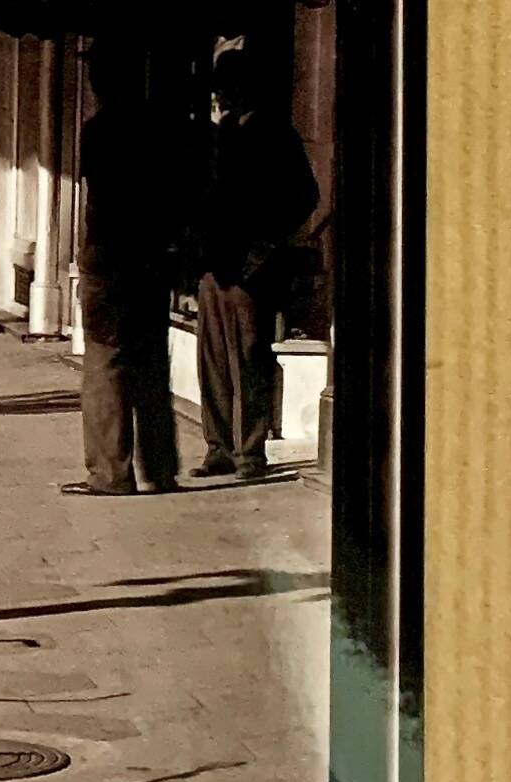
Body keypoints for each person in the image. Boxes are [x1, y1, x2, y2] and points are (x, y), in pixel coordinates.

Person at [192, 48, 319, 481]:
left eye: (228, 87)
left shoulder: (276, 135)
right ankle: (219, 447)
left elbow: (305, 196)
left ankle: (249, 451)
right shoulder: (219, 135)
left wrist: (266, 243)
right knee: (211, 360)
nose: (221, 96)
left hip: (251, 267)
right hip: (213, 264)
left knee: (247, 359)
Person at [68, 44, 180, 496]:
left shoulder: (100, 131)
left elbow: (99, 194)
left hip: (111, 261)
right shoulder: (161, 128)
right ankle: (160, 468)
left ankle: (111, 472)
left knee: (105, 364)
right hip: (151, 260)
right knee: (151, 365)